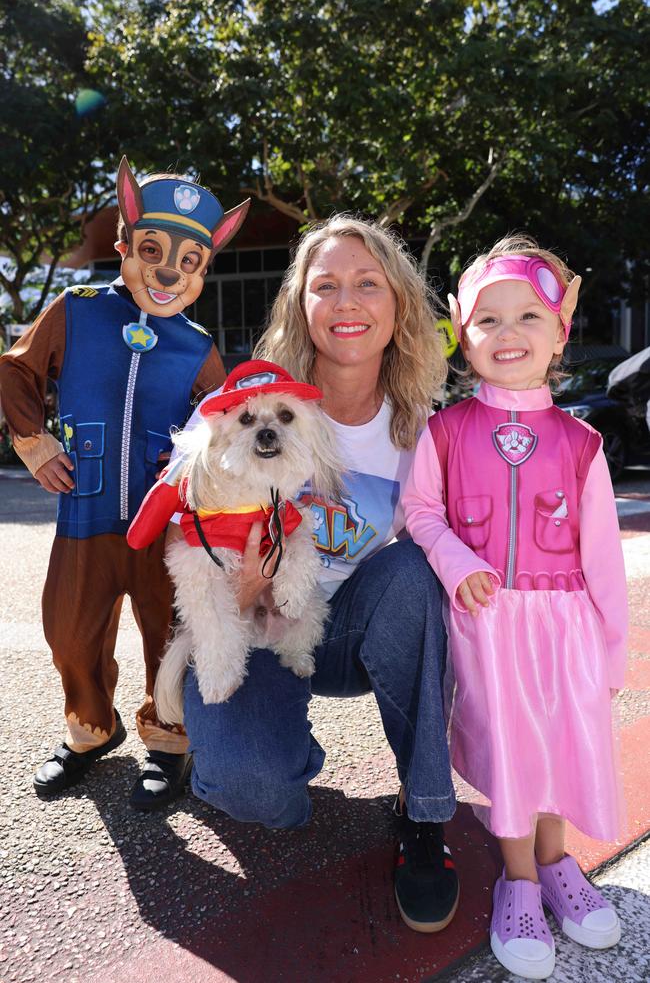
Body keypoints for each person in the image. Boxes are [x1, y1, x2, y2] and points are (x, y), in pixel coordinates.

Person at [170, 215, 460, 933]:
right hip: (261, 623)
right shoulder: (250, 409)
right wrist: (243, 587)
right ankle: (271, 744)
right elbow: (193, 543)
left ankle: (422, 813)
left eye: (368, 283)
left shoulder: (429, 426)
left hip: (361, 630)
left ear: (398, 304)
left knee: (415, 569)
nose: (346, 302)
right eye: (324, 285)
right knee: (257, 793)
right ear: (301, 304)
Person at [402, 235, 627, 979]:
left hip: (564, 627)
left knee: (561, 743)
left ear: (561, 332)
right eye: (487, 320)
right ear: (462, 337)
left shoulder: (583, 442)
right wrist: (455, 558)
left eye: (528, 315)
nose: (508, 334)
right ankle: (519, 879)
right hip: (489, 628)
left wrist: (610, 647)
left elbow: (601, 557)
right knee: (512, 748)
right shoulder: (445, 430)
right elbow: (421, 511)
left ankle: (560, 865)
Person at [0, 156, 249, 810]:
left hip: (164, 523)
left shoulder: (196, 346)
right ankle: (90, 732)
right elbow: (17, 370)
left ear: (202, 270)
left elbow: (223, 425)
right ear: (124, 248)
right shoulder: (77, 312)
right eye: (152, 250)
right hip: (84, 514)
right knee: (69, 630)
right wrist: (32, 440)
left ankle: (168, 745)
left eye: (189, 260)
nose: (169, 270)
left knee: (167, 634)